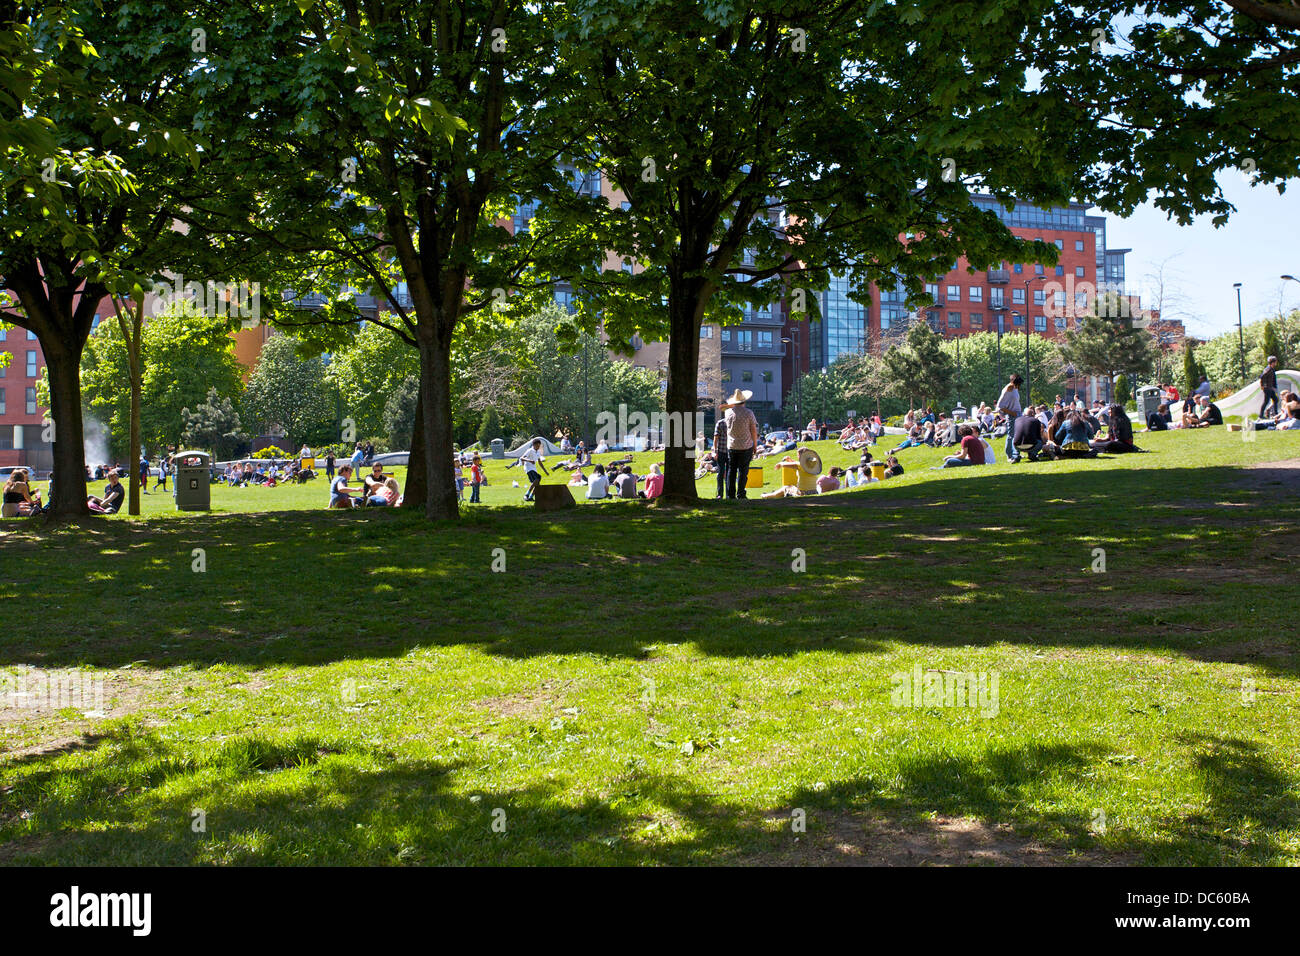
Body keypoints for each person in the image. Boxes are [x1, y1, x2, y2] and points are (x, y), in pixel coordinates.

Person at [722, 388, 759, 500]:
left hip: (732, 446)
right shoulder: (749, 413)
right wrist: (755, 445)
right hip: (746, 446)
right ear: (744, 401)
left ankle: (730, 495)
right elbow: (753, 430)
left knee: (731, 471)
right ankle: (741, 493)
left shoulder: (727, 413)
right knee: (743, 471)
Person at [996, 374, 1024, 462]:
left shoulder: (1014, 389)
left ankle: (1016, 453)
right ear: (1013, 382)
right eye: (1017, 384)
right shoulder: (1007, 390)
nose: (1018, 386)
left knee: (1017, 435)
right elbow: (1000, 406)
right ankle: (1010, 455)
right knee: (1011, 435)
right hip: (1012, 415)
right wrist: (1013, 413)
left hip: (1017, 414)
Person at [711, 411, 729, 499]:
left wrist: (715, 450)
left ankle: (720, 494)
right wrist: (714, 451)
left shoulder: (720, 422)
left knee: (721, 473)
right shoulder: (723, 423)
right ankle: (727, 494)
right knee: (727, 473)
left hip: (723, 451)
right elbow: (716, 437)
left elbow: (715, 438)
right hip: (728, 452)